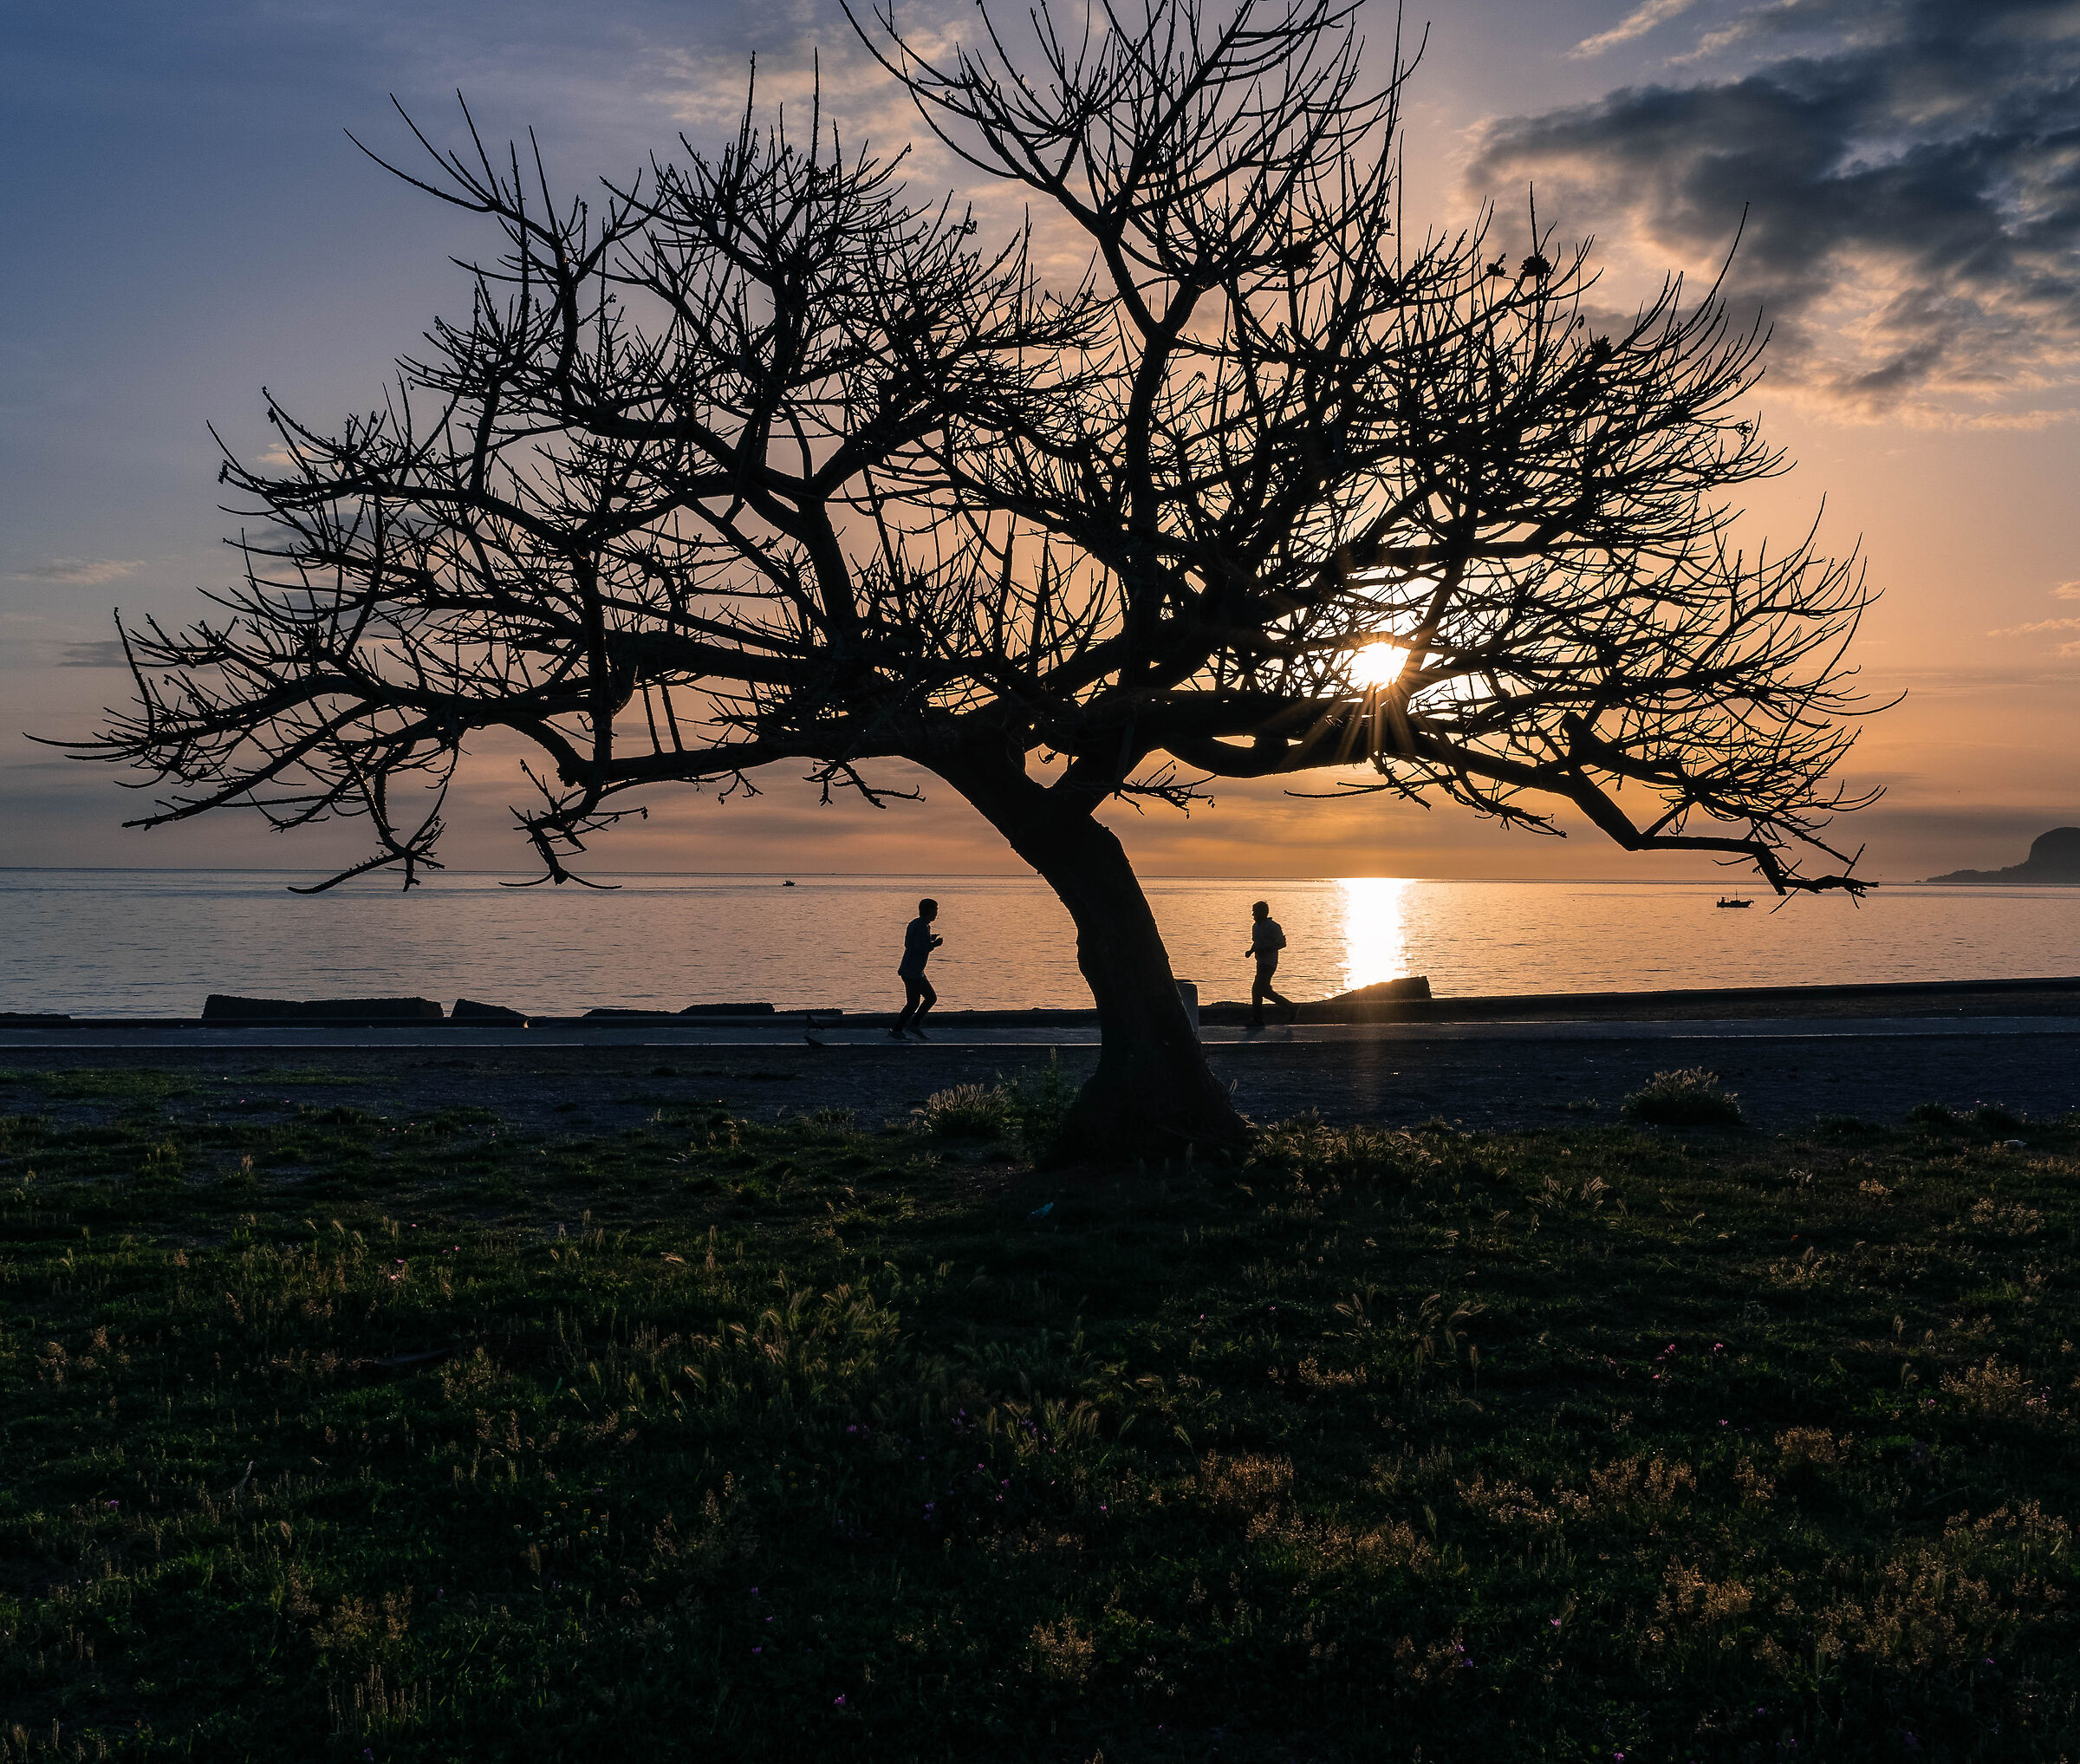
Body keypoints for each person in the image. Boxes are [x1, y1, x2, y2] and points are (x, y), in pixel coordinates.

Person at [893, 897, 943, 1038]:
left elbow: (911, 942)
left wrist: (929, 938)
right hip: (912, 971)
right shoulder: (922, 926)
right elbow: (919, 947)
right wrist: (934, 944)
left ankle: (913, 1025)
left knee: (930, 997)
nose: (937, 913)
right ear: (929, 910)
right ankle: (897, 1030)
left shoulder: (918, 923)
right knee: (913, 1003)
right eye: (935, 909)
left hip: (916, 971)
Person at [1245, 899, 1296, 1027]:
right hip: (1260, 962)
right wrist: (1250, 951)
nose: (1253, 915)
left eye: (1255, 912)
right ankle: (1291, 1007)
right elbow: (1257, 942)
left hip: (1269, 963)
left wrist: (1267, 949)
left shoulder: (1273, 927)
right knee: (1265, 991)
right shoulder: (1255, 927)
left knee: (1256, 990)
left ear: (1262, 913)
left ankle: (1258, 1020)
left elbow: (1282, 944)